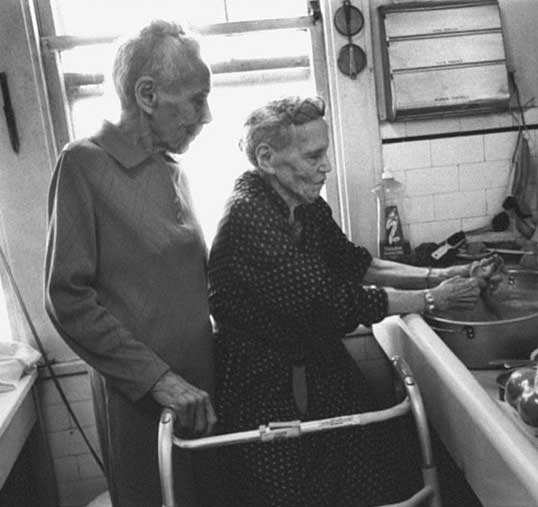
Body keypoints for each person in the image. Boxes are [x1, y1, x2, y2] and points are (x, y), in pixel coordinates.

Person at [208, 96, 503, 506]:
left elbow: (355, 264)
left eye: (325, 151)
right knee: (289, 494)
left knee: (368, 475)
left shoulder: (304, 206)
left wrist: (442, 274)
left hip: (317, 369)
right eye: (314, 155)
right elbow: (334, 302)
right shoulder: (249, 216)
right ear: (267, 157)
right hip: (265, 385)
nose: (326, 166)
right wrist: (432, 299)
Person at [45, 20, 217, 507]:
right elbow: (67, 299)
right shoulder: (83, 164)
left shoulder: (172, 171)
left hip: (199, 389)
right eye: (197, 98)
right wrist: (160, 381)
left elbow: (187, 283)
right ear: (147, 94)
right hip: (144, 401)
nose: (206, 115)